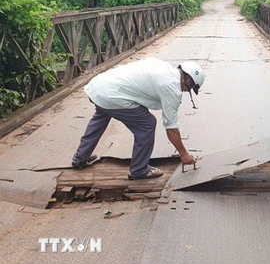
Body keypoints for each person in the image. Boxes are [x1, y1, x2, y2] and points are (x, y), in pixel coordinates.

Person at [71, 57, 204, 180]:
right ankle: (139, 169)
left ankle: (80, 158)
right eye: (190, 87)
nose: (187, 91)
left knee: (102, 115)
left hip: (98, 86)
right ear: (187, 79)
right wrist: (184, 154)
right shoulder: (172, 88)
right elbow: (171, 128)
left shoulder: (164, 67)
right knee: (147, 124)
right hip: (112, 94)